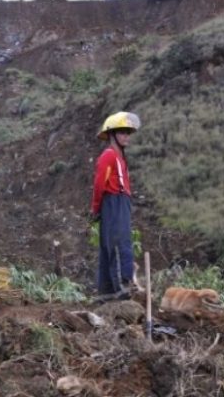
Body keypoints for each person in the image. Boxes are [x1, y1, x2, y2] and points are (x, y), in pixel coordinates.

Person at [89, 111, 141, 303]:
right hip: (113, 202)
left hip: (121, 202)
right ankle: (121, 287)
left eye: (128, 132)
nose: (126, 136)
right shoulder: (109, 156)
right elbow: (99, 183)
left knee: (113, 243)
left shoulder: (120, 158)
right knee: (118, 243)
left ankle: (107, 291)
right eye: (122, 132)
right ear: (112, 134)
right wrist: (96, 208)